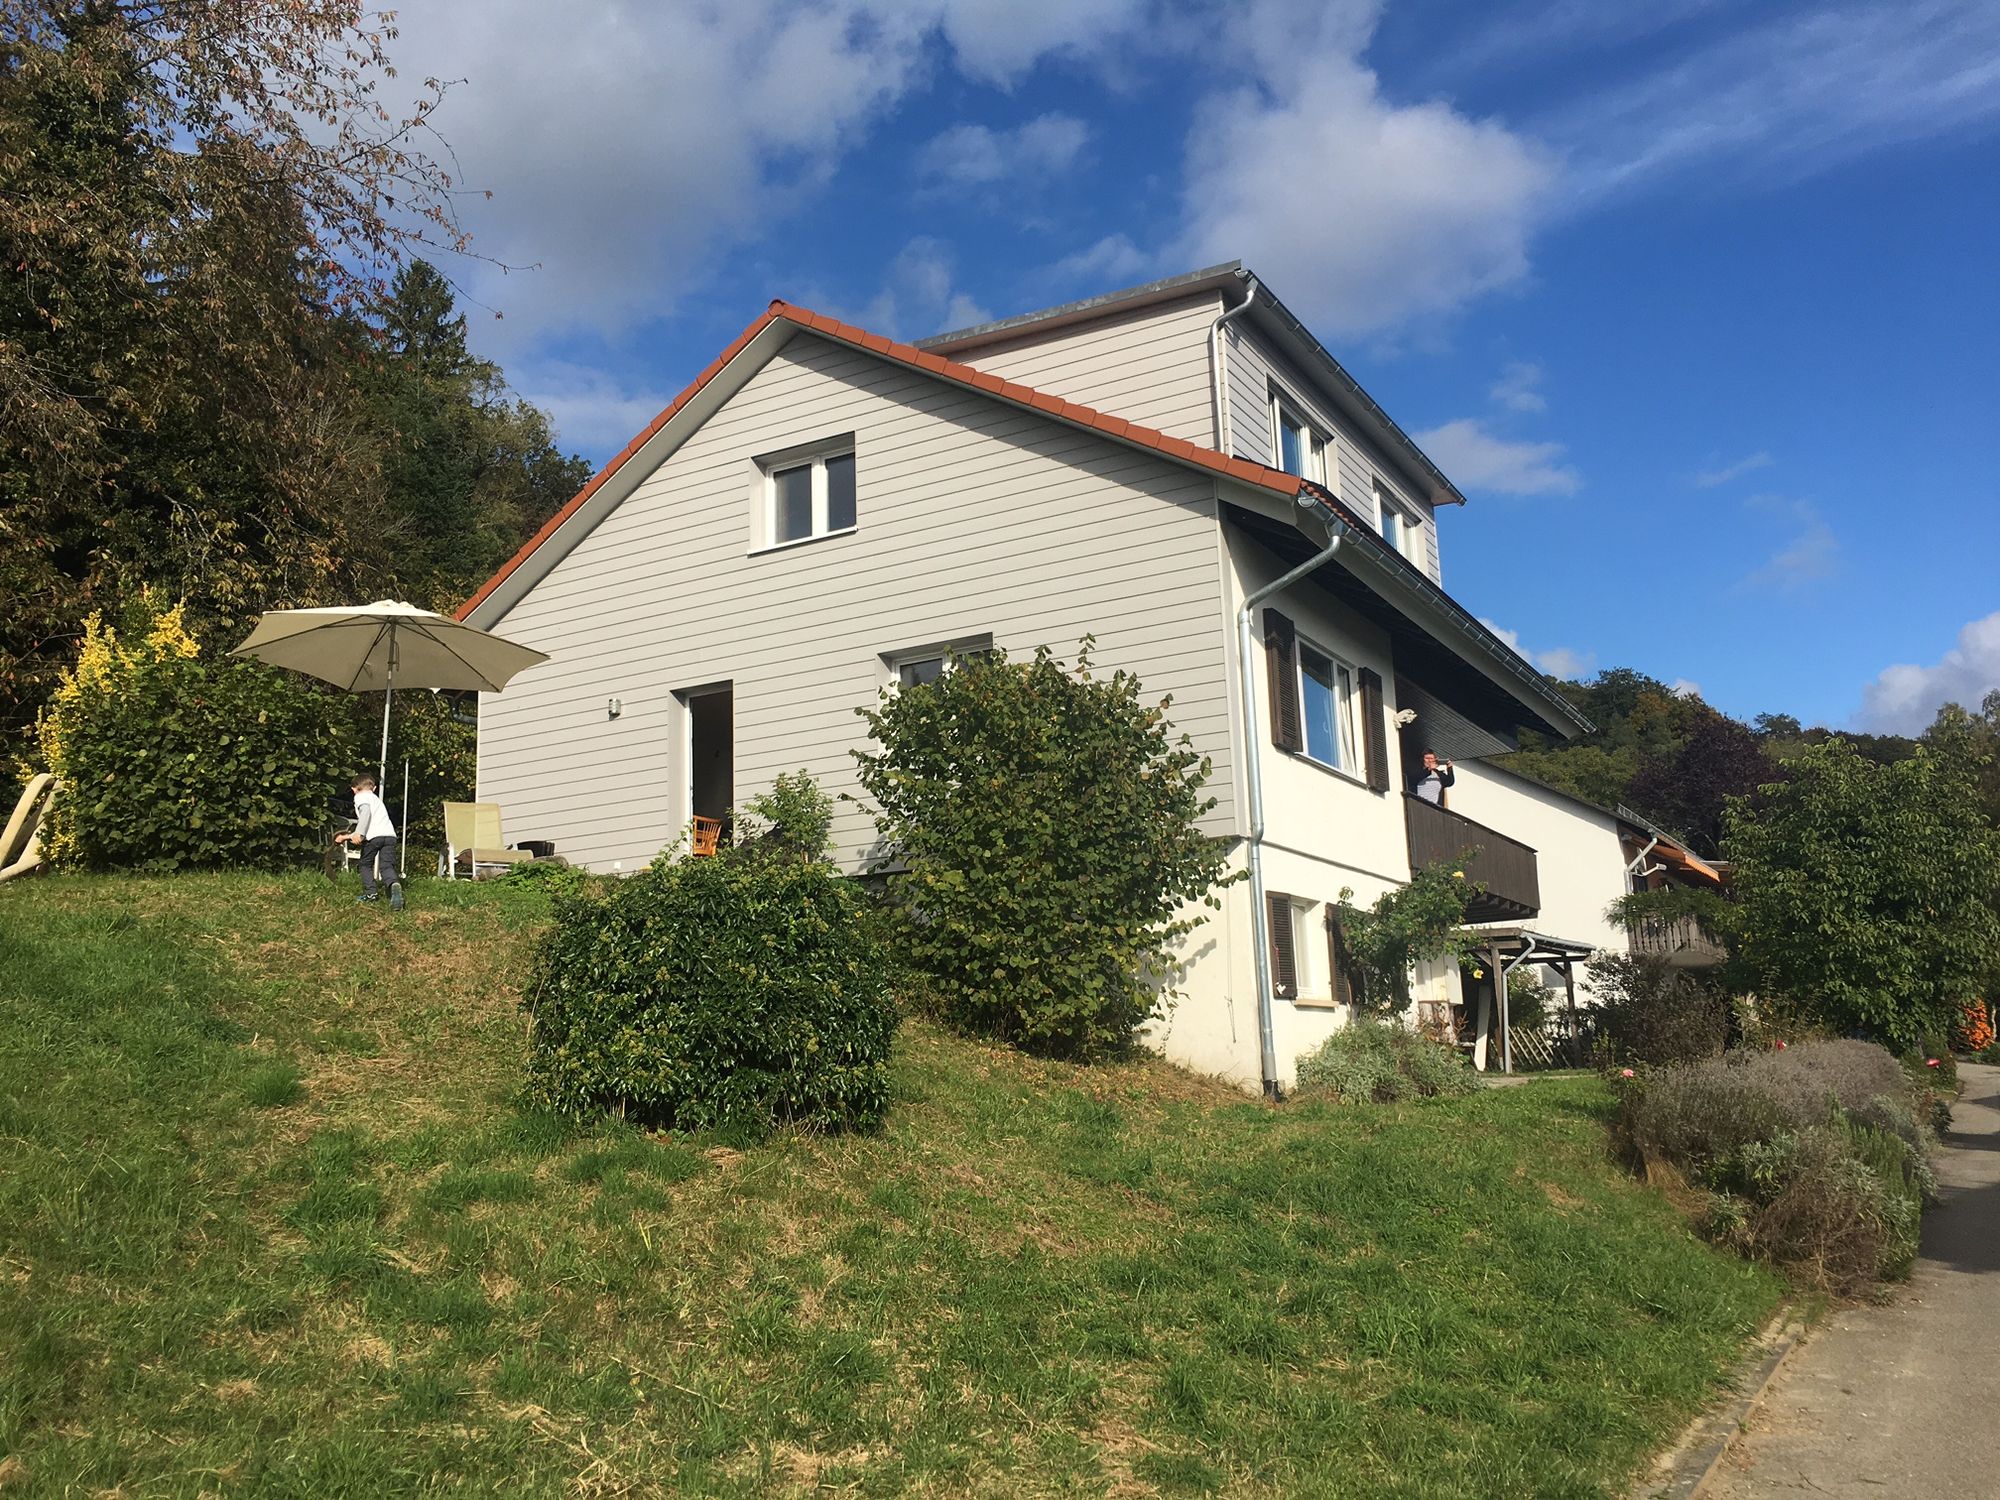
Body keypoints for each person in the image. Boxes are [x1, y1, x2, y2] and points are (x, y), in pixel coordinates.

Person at [335, 773, 403, 910]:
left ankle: (371, 893)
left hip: (374, 838)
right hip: (390, 836)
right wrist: (345, 837)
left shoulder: (360, 797)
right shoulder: (376, 799)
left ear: (354, 789)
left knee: (365, 864)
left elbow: (365, 816)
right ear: (374, 788)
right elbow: (372, 823)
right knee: (387, 866)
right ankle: (394, 884)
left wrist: (359, 834)